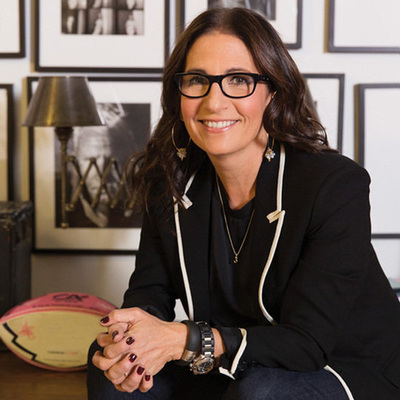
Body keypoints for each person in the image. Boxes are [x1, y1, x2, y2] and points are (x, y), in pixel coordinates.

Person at [87, 7, 400, 400]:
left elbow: (307, 343)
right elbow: (150, 293)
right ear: (178, 93)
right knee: (111, 364)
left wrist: (187, 339)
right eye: (197, 80)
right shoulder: (168, 178)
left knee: (261, 391)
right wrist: (130, 337)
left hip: (342, 366)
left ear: (274, 91)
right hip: (230, 361)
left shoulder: (334, 185)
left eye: (238, 80)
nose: (214, 102)